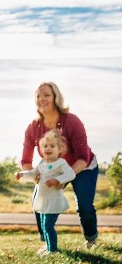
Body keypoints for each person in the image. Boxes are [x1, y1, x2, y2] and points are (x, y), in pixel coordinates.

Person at [21, 81, 99, 248]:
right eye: (38, 96)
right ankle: (47, 243)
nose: (41, 99)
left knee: (84, 206)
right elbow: (26, 161)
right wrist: (35, 178)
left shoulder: (72, 121)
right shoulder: (33, 128)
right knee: (38, 200)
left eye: (46, 95)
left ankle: (91, 239)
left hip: (83, 167)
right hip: (52, 169)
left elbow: (83, 157)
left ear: (56, 98)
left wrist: (63, 178)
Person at [16, 130, 76, 254]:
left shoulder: (61, 163)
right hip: (43, 200)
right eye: (45, 146)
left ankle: (53, 249)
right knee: (44, 226)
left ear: (60, 149)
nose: (48, 148)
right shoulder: (42, 162)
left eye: (52, 146)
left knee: (48, 225)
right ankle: (48, 247)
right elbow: (33, 174)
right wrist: (22, 174)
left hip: (54, 200)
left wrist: (57, 180)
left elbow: (71, 174)